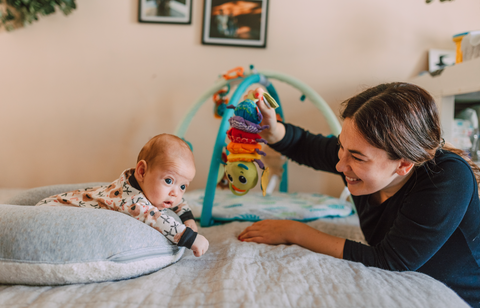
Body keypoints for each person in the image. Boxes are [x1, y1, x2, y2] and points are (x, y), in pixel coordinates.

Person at [238, 83, 480, 307]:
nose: (340, 165)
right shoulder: (359, 155)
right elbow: (306, 145)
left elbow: (389, 262)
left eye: (356, 157)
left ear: (404, 164)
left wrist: (293, 231)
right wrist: (271, 129)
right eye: (341, 147)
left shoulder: (448, 177)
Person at [37, 134, 209, 257]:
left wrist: (188, 218)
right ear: (142, 171)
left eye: (183, 186)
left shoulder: (151, 187)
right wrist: (191, 238)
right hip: (55, 212)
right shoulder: (132, 199)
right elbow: (155, 218)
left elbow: (175, 200)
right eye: (169, 181)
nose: (175, 192)